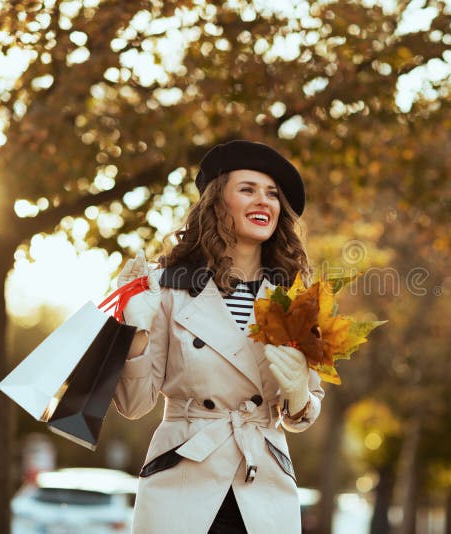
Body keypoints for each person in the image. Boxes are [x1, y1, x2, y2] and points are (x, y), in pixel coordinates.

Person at [112, 140, 325, 533]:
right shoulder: (166, 289)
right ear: (216, 202)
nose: (264, 202)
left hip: (262, 483)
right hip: (181, 482)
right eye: (248, 189)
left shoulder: (294, 297)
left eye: (273, 194)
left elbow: (303, 413)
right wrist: (134, 332)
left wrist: (297, 395)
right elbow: (133, 404)